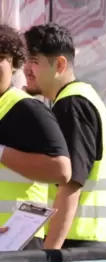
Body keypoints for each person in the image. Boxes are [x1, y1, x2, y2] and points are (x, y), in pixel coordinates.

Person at [24, 23, 106, 248]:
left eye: (35, 61)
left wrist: (51, 252)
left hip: (74, 246)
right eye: (27, 60)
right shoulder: (82, 98)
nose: (27, 69)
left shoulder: (71, 105)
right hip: (85, 242)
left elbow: (70, 183)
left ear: (59, 64)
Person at [0, 23, 70, 248]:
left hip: (16, 243)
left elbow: (62, 170)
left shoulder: (27, 109)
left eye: (1, 57)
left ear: (14, 65)